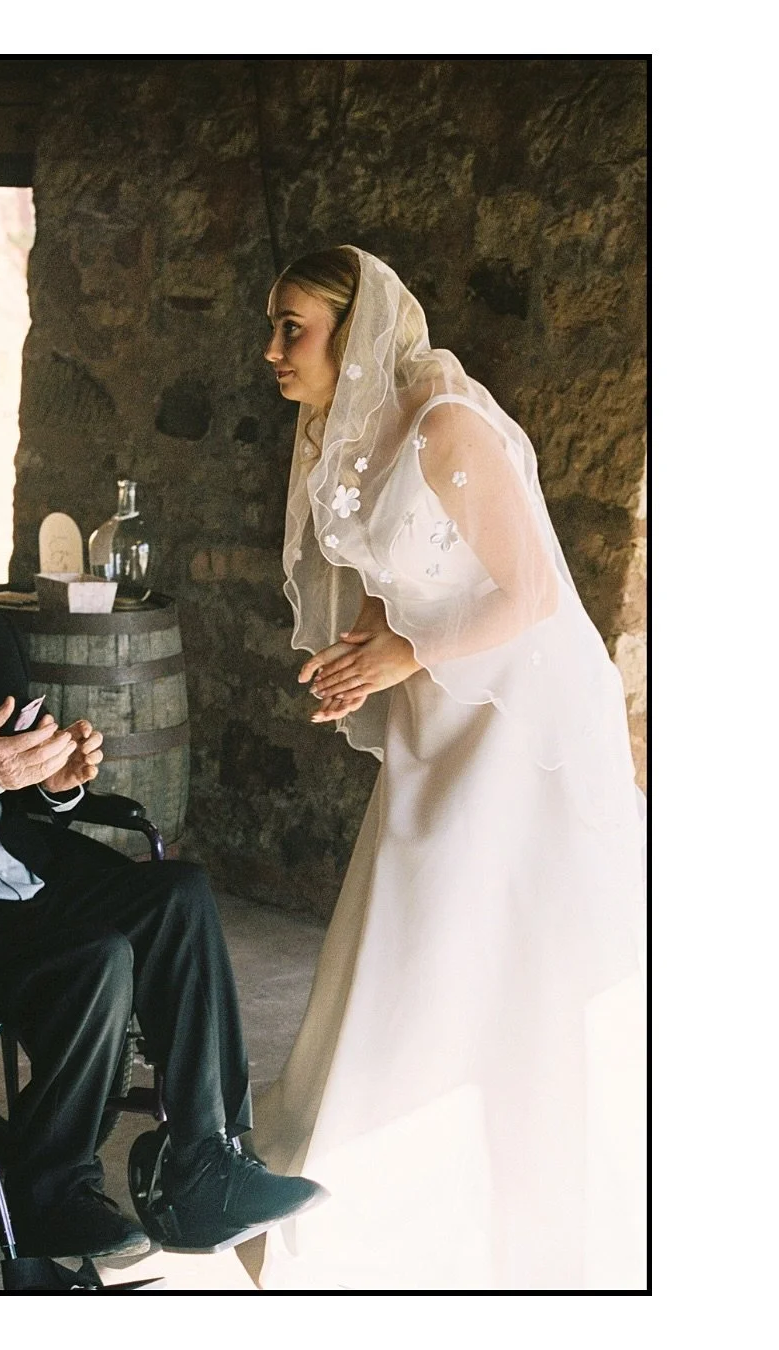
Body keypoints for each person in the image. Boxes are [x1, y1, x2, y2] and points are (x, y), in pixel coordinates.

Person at [239, 247, 646, 1290]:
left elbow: (527, 597)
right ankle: (373, 1138)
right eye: (274, 327)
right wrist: (366, 657)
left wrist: (404, 653)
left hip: (515, 714)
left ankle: (476, 1169)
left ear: (355, 325)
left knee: (485, 919)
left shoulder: (445, 424)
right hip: (435, 711)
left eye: (294, 328)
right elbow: (397, 565)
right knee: (418, 910)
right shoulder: (342, 429)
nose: (273, 349)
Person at [0, 459, 326, 1265]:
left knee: (180, 893)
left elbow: (16, 783)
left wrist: (55, 784)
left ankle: (204, 1164)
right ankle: (52, 1194)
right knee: (93, 954)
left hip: (13, 862)